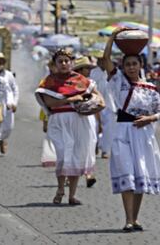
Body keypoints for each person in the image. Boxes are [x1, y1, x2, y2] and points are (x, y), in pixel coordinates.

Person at [103, 28, 160, 232]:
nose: (131, 67)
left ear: (141, 65)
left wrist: (150, 118)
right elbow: (106, 60)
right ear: (123, 67)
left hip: (143, 135)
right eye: (127, 64)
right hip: (123, 132)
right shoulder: (118, 81)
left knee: (140, 176)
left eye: (134, 64)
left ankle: (135, 219)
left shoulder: (151, 89)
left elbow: (159, 111)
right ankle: (128, 219)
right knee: (126, 174)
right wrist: (111, 39)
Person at [35, 49, 105, 205]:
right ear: (55, 64)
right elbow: (49, 103)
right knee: (62, 156)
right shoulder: (49, 81)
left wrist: (97, 102)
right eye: (60, 61)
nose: (64, 64)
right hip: (59, 121)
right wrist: (70, 99)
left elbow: (97, 96)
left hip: (80, 121)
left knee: (77, 157)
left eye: (67, 61)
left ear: (72, 63)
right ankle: (60, 189)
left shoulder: (82, 80)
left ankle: (72, 195)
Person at [72, 56, 100, 188]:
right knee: (75, 146)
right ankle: (70, 174)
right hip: (74, 117)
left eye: (89, 68)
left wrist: (98, 121)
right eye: (86, 68)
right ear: (80, 70)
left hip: (89, 117)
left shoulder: (92, 83)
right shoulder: (70, 83)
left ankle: (89, 173)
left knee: (90, 143)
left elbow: (98, 101)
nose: (89, 71)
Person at [0, 52, 18, 154]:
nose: (0, 62)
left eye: (1, 60)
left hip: (7, 106)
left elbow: (14, 89)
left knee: (9, 127)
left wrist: (14, 103)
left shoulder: (9, 75)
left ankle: (2, 139)